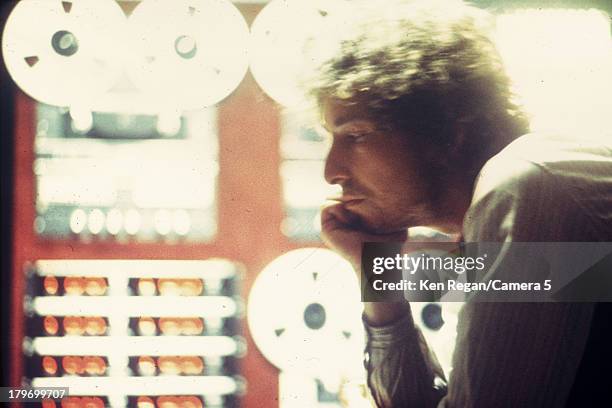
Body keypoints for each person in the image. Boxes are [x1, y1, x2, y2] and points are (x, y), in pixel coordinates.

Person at [303, 1, 612, 406]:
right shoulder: (520, 188)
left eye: (356, 136)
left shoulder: (524, 185)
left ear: (448, 131)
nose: (332, 171)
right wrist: (376, 272)